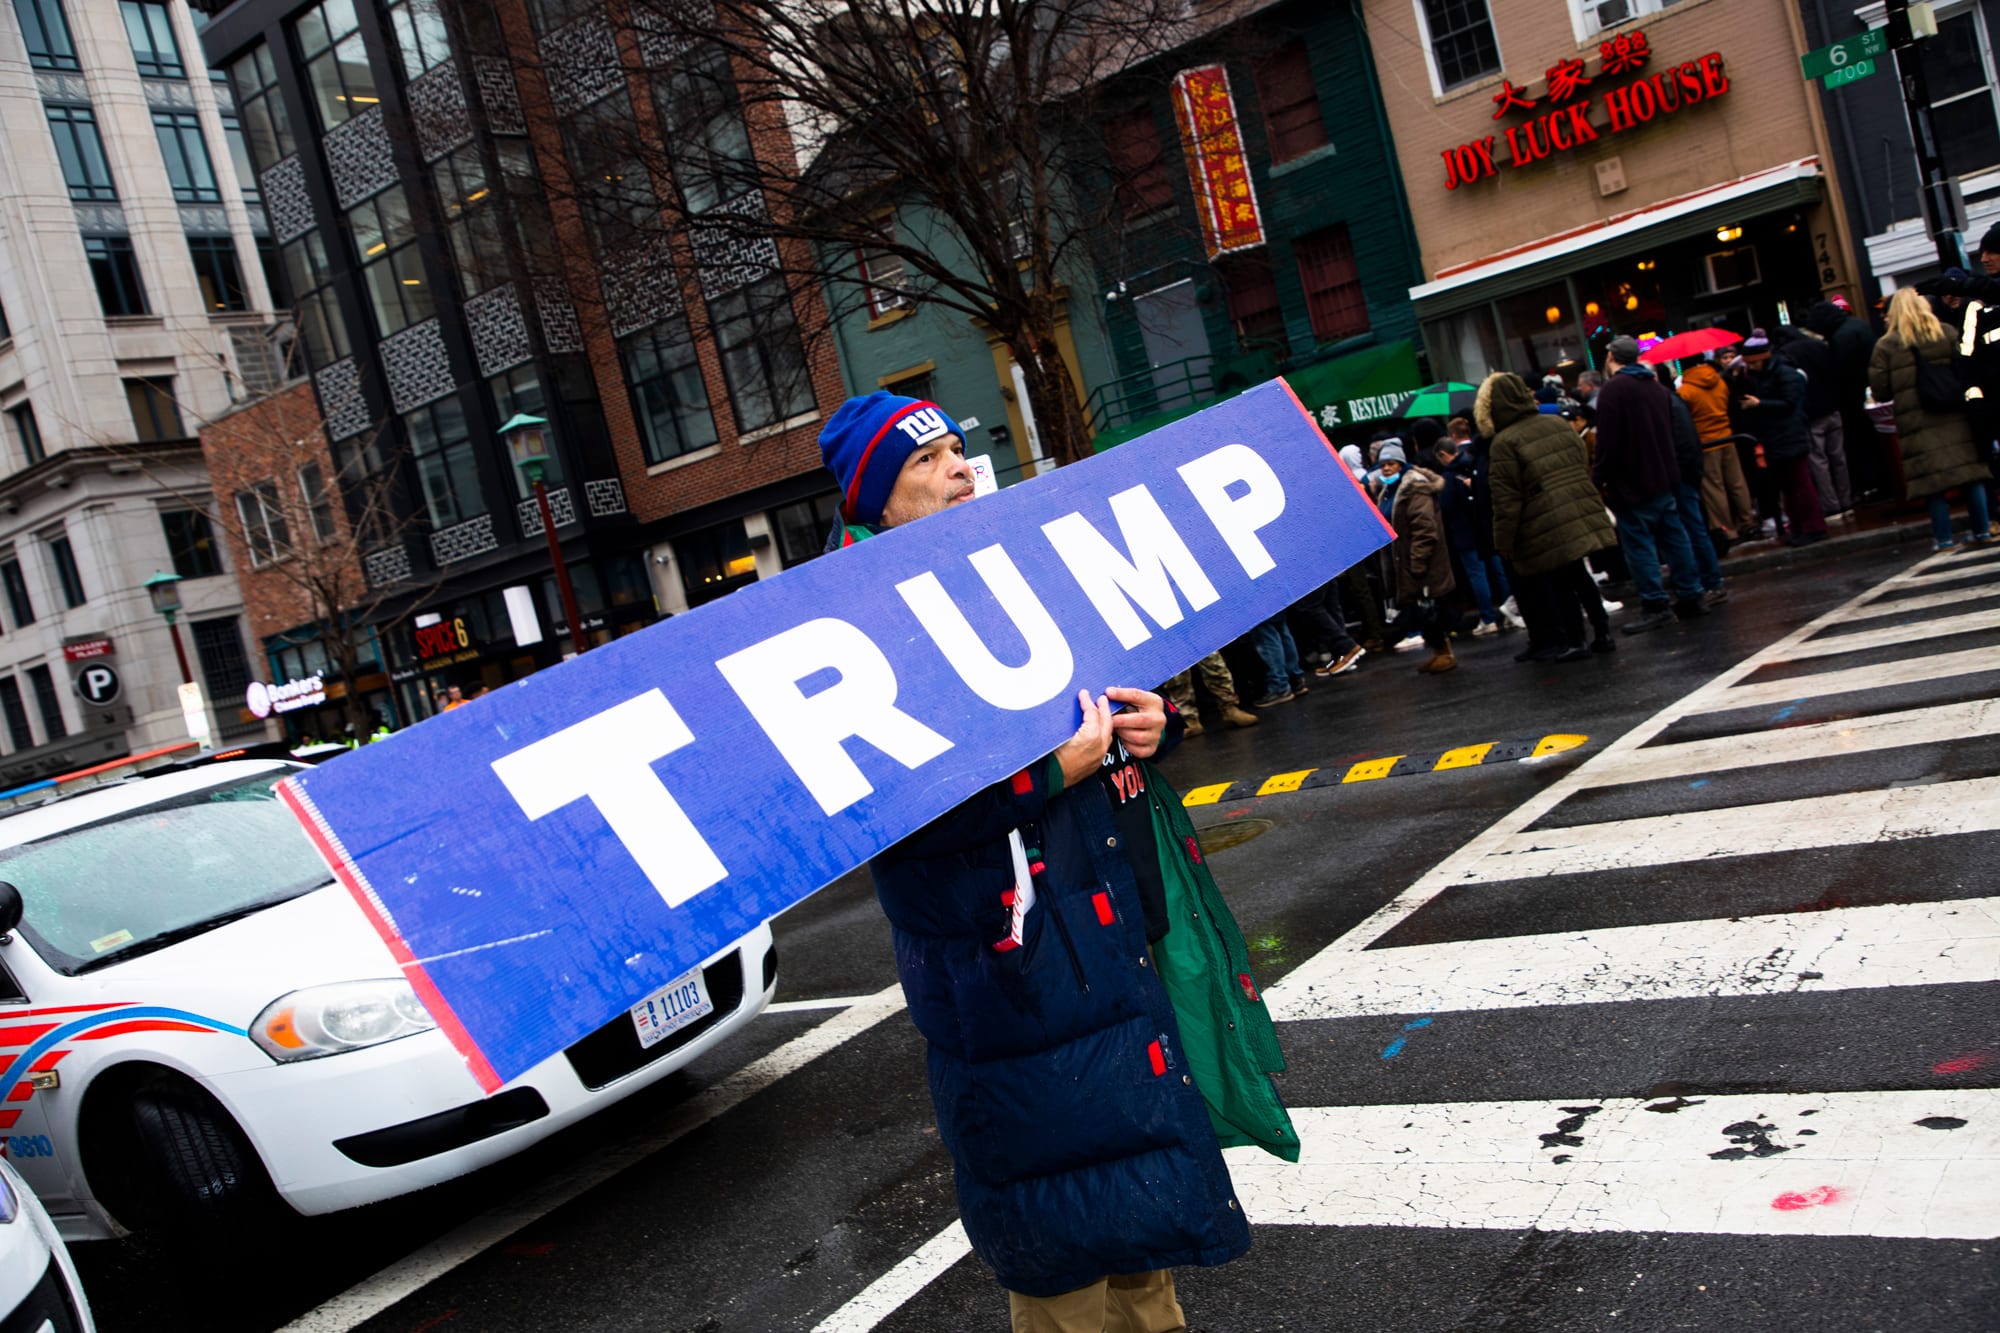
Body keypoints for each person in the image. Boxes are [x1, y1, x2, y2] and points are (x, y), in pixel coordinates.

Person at [816, 390, 1295, 1330]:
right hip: (1012, 981)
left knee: (1140, 1211)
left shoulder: (1015, 576)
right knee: (1061, 1245)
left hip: (1102, 944)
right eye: (928, 461)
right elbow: (890, 819)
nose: (960, 467)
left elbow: (1100, 711)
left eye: (959, 448)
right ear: (875, 502)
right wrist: (1045, 778)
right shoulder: (848, 632)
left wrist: (1145, 725)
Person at [1481, 372, 1617, 661]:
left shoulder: (1504, 442)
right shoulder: (1556, 423)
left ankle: (1576, 640)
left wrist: (1503, 539)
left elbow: (1507, 498)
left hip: (1542, 517)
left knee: (1560, 581)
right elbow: (1580, 458)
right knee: (1579, 573)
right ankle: (1603, 633)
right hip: (1576, 505)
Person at [1593, 335, 1707, 633]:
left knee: (1640, 545)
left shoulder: (1613, 391)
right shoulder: (1655, 388)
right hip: (1663, 474)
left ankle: (1655, 604)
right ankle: (1691, 593)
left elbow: (1608, 442)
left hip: (1632, 480)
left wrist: (1600, 476)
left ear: (1610, 358)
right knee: (1674, 537)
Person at [1869, 287, 1993, 551]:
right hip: (1954, 411)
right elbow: (1965, 367)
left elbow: (1880, 390)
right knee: (1970, 472)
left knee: (1931, 482)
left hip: (1917, 421)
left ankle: (1944, 539)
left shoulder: (1886, 346)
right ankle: (1982, 530)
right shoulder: (1945, 332)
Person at [1737, 331, 1828, 548]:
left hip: (1790, 434)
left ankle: (1812, 527)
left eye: (1754, 362)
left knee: (1800, 483)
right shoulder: (1762, 376)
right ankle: (1798, 528)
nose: (1751, 366)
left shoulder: (1785, 374)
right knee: (1789, 485)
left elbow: (1789, 403)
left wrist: (1760, 404)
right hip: (1777, 436)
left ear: (1765, 356)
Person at [1377, 443, 1458, 674]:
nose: (1387, 469)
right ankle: (1439, 652)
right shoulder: (1389, 491)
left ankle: (1445, 653)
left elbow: (1424, 529)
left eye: (1391, 464)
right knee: (1423, 610)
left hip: (1423, 563)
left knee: (1431, 608)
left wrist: (1418, 561)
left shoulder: (1414, 489)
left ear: (1401, 465)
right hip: (1406, 562)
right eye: (1383, 465)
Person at [1433, 433, 1520, 635]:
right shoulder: (1474, 465)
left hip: (1465, 533)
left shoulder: (1448, 477)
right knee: (1498, 571)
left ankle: (1488, 618)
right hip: (1485, 527)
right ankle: (1511, 613)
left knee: (1477, 574)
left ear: (1444, 454)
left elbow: (1446, 507)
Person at [1678, 353, 1756, 547]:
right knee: (1737, 483)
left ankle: (1726, 530)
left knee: (1714, 488)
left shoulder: (1685, 391)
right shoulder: (1719, 382)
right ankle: (1748, 522)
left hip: (1706, 443)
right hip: (1728, 436)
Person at [1782, 319, 1853, 517]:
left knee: (1818, 460)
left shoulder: (1787, 354)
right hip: (1832, 408)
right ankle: (1846, 499)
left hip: (1812, 413)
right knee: (1838, 457)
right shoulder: (1819, 347)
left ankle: (1831, 504)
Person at [1162, 653, 1259, 737]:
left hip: (1194, 632)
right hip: (1168, 639)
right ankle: (1188, 719)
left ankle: (1230, 708)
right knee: (1176, 675)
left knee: (1214, 665)